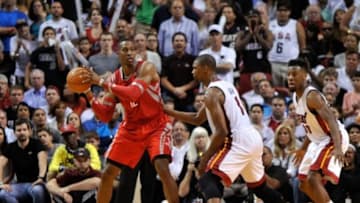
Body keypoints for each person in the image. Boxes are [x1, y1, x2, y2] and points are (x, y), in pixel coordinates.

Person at [164, 54, 284, 203]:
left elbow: (221, 132)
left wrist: (204, 160)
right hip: (253, 137)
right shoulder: (226, 85)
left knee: (207, 180)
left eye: (195, 68)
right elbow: (198, 118)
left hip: (237, 140)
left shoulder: (212, 93)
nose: (192, 72)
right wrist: (168, 111)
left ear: (206, 69)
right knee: (259, 187)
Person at [79, 40, 179, 203]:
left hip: (156, 125)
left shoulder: (147, 68)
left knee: (162, 167)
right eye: (125, 50)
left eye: (133, 49)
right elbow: (105, 115)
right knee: (108, 173)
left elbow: (133, 93)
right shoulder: (115, 78)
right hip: (131, 127)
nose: (130, 53)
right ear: (118, 54)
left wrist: (101, 83)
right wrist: (88, 93)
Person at [287, 58, 349, 203]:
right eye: (289, 74)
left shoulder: (312, 96)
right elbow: (312, 128)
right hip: (318, 140)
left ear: (305, 75)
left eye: (294, 74)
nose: (290, 77)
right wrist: (303, 148)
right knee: (303, 184)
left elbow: (332, 120)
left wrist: (338, 147)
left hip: (333, 138)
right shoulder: (296, 97)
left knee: (313, 177)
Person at [0, 119, 48, 203]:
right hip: (20, 185)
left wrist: (41, 177)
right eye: (19, 130)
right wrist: (0, 183)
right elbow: (1, 163)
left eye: (24, 130)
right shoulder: (11, 147)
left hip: (36, 183)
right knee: (3, 194)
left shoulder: (36, 144)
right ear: (14, 133)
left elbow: (42, 160)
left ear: (29, 131)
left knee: (37, 191)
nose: (22, 132)